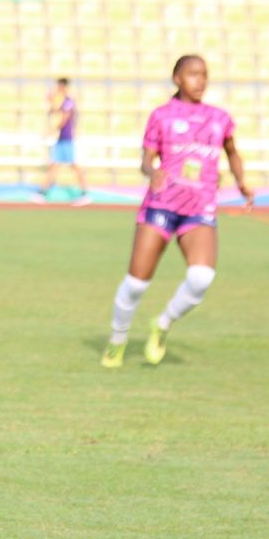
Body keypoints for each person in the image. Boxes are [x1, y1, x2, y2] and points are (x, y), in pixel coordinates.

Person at [101, 55, 253, 368]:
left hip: (200, 208)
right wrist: (151, 171)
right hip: (162, 205)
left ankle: (163, 323)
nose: (201, 81)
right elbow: (147, 158)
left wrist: (241, 182)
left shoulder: (219, 118)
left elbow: (233, 152)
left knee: (201, 278)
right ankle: (117, 340)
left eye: (205, 75)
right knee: (137, 283)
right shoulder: (162, 116)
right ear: (177, 78)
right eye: (193, 74)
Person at [34, 78, 90, 206]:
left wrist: (51, 130)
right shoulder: (64, 102)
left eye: (59, 86)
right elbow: (54, 111)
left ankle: (85, 193)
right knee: (55, 164)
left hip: (66, 139)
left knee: (73, 166)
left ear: (63, 87)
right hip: (62, 139)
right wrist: (50, 100)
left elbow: (64, 118)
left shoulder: (69, 102)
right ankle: (42, 192)